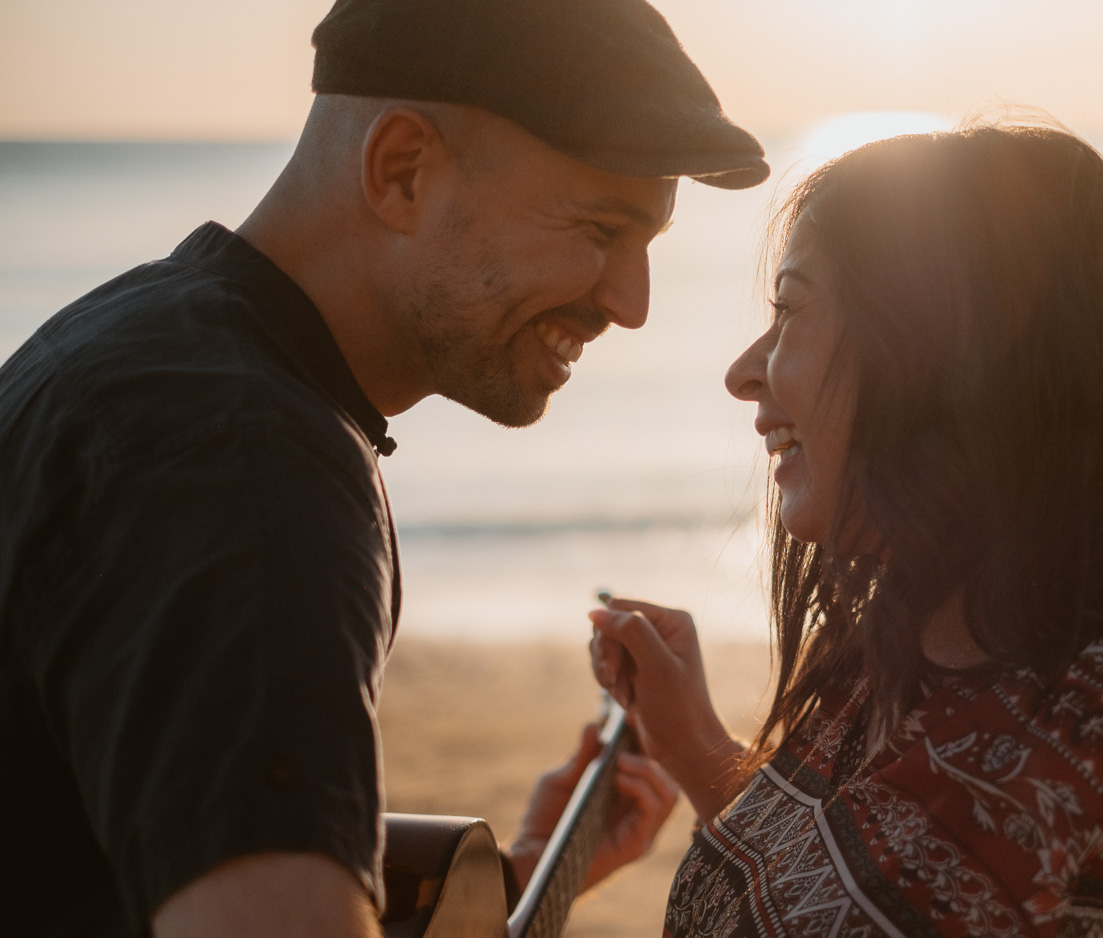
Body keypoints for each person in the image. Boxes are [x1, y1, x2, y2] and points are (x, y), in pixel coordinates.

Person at [0, 0, 768, 935]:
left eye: (648, 245)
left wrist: (510, 883)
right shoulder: (246, 465)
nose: (632, 302)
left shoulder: (141, 348)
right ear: (402, 169)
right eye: (602, 228)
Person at [590, 124, 1103, 936]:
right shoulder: (884, 665)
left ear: (941, 361)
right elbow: (840, 888)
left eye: (792, 310)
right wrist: (696, 746)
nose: (745, 371)